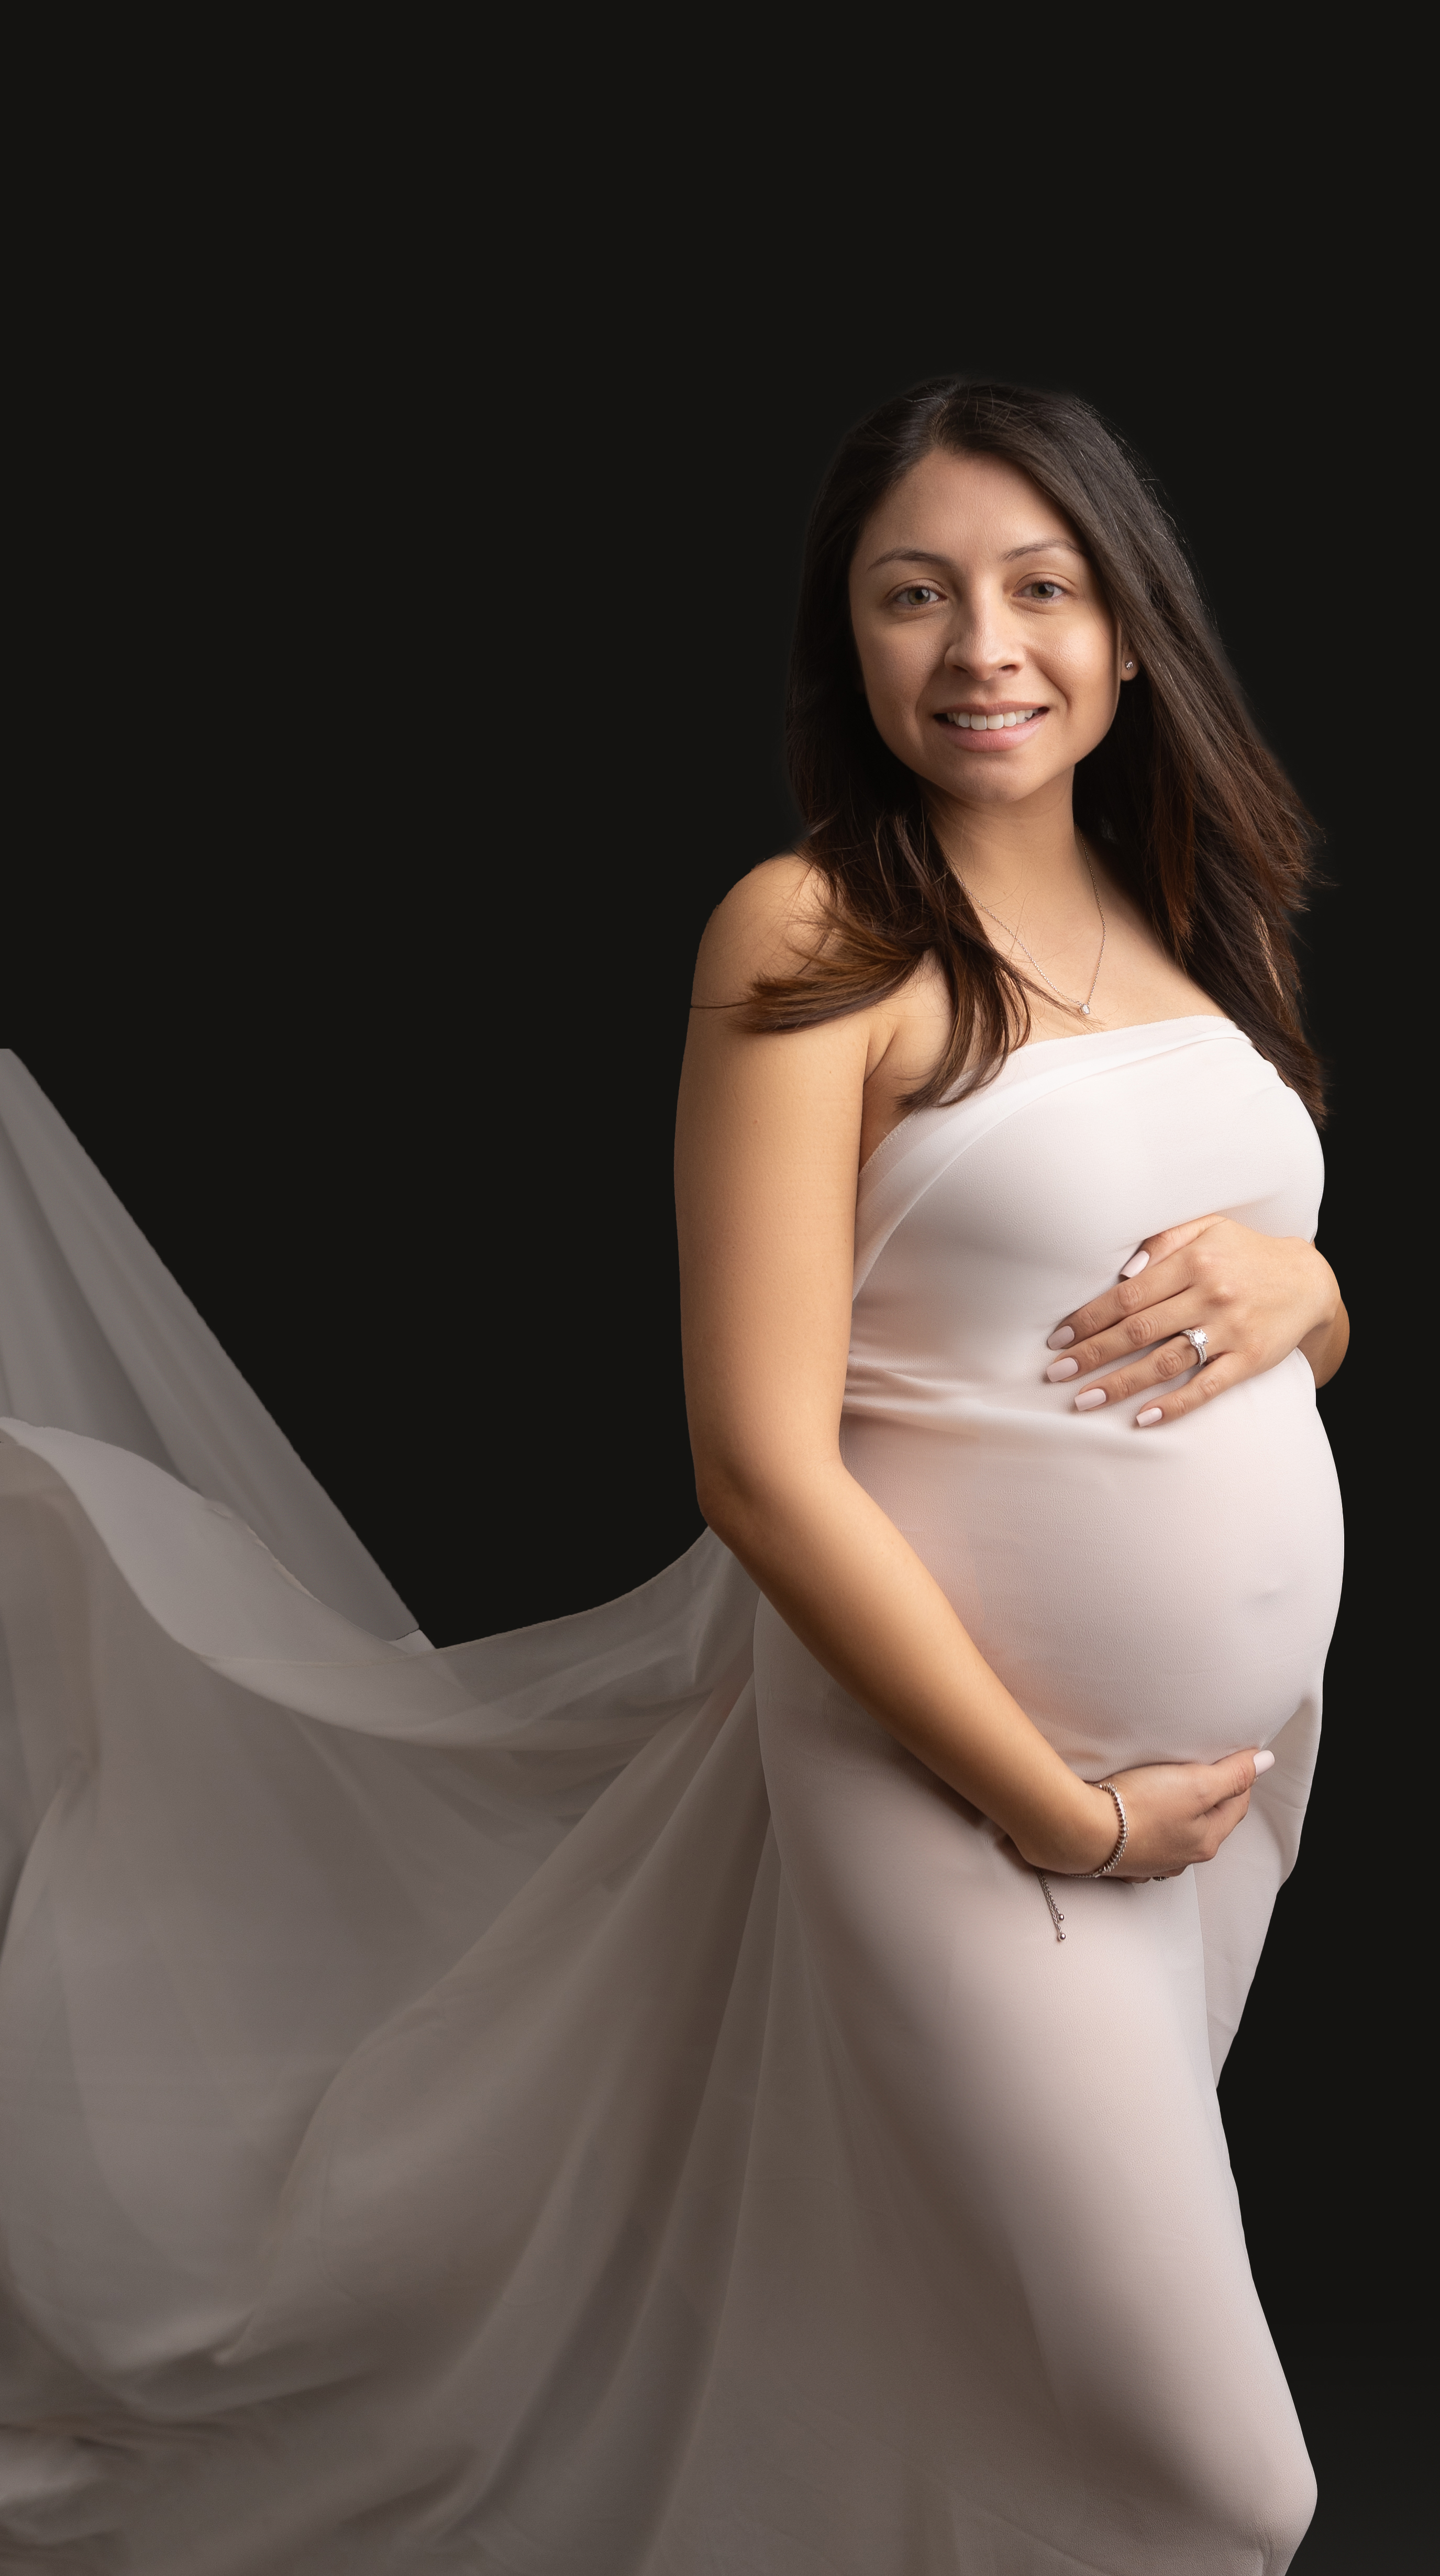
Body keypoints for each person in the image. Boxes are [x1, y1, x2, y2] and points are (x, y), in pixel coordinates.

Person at [0, 379, 1345, 2573]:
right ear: (851, 644)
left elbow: (1255, 1278)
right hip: (967, 1787)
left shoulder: (1198, 924)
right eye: (911, 595)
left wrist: (1319, 1303)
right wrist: (1052, 1802)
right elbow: (757, 1456)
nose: (978, 644)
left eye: (1036, 588)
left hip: (1221, 1784)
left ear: (1128, 635)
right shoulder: (814, 937)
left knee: (968, 2371)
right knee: (1217, 2474)